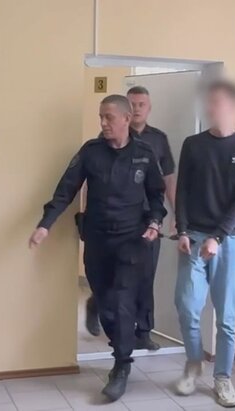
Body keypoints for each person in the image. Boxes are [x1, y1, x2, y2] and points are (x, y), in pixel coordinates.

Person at [30, 95, 166, 402]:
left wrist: (155, 222)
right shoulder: (91, 152)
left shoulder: (145, 154)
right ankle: (107, 327)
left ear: (126, 119)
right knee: (106, 304)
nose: (103, 123)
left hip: (131, 241)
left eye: (108, 117)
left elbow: (156, 196)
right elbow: (65, 190)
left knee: (122, 302)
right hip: (98, 241)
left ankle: (121, 365)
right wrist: (45, 225)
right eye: (100, 117)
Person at [173, 80, 235, 408]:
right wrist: (182, 230)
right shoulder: (193, 144)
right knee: (186, 306)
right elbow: (182, 191)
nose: (210, 107)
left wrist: (218, 237)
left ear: (233, 108)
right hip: (193, 238)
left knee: (226, 317)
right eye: (209, 102)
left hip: (228, 242)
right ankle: (193, 364)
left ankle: (222, 378)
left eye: (217, 102)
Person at [84, 86, 176, 352]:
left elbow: (168, 178)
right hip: (118, 222)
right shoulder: (106, 139)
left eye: (141, 104)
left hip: (149, 223)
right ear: (125, 111)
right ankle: (98, 304)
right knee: (112, 281)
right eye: (132, 104)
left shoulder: (157, 140)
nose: (137, 109)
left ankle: (143, 332)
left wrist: (176, 215)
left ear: (149, 108)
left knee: (145, 278)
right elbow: (94, 183)